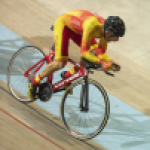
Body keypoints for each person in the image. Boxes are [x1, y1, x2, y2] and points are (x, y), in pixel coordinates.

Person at [28, 10, 125, 101]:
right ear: (108, 33)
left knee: (93, 52)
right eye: (117, 36)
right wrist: (101, 62)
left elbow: (101, 53)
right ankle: (35, 81)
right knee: (60, 63)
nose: (117, 39)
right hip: (64, 26)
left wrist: (112, 63)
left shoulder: (105, 30)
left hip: (79, 30)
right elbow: (84, 53)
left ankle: (67, 75)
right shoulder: (92, 25)